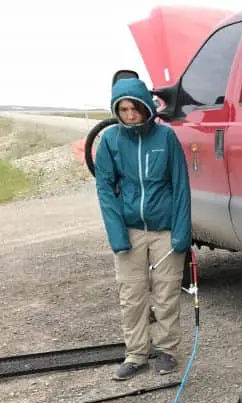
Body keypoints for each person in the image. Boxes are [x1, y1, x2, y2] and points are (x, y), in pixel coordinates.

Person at [93, 76, 191, 380]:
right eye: (122, 109)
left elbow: (181, 186)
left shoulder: (166, 138)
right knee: (132, 295)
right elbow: (105, 190)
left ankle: (167, 351)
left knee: (166, 295)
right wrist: (117, 235)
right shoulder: (110, 140)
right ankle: (135, 354)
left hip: (164, 231)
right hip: (130, 230)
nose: (129, 114)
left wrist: (181, 232)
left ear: (145, 107)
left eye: (134, 108)